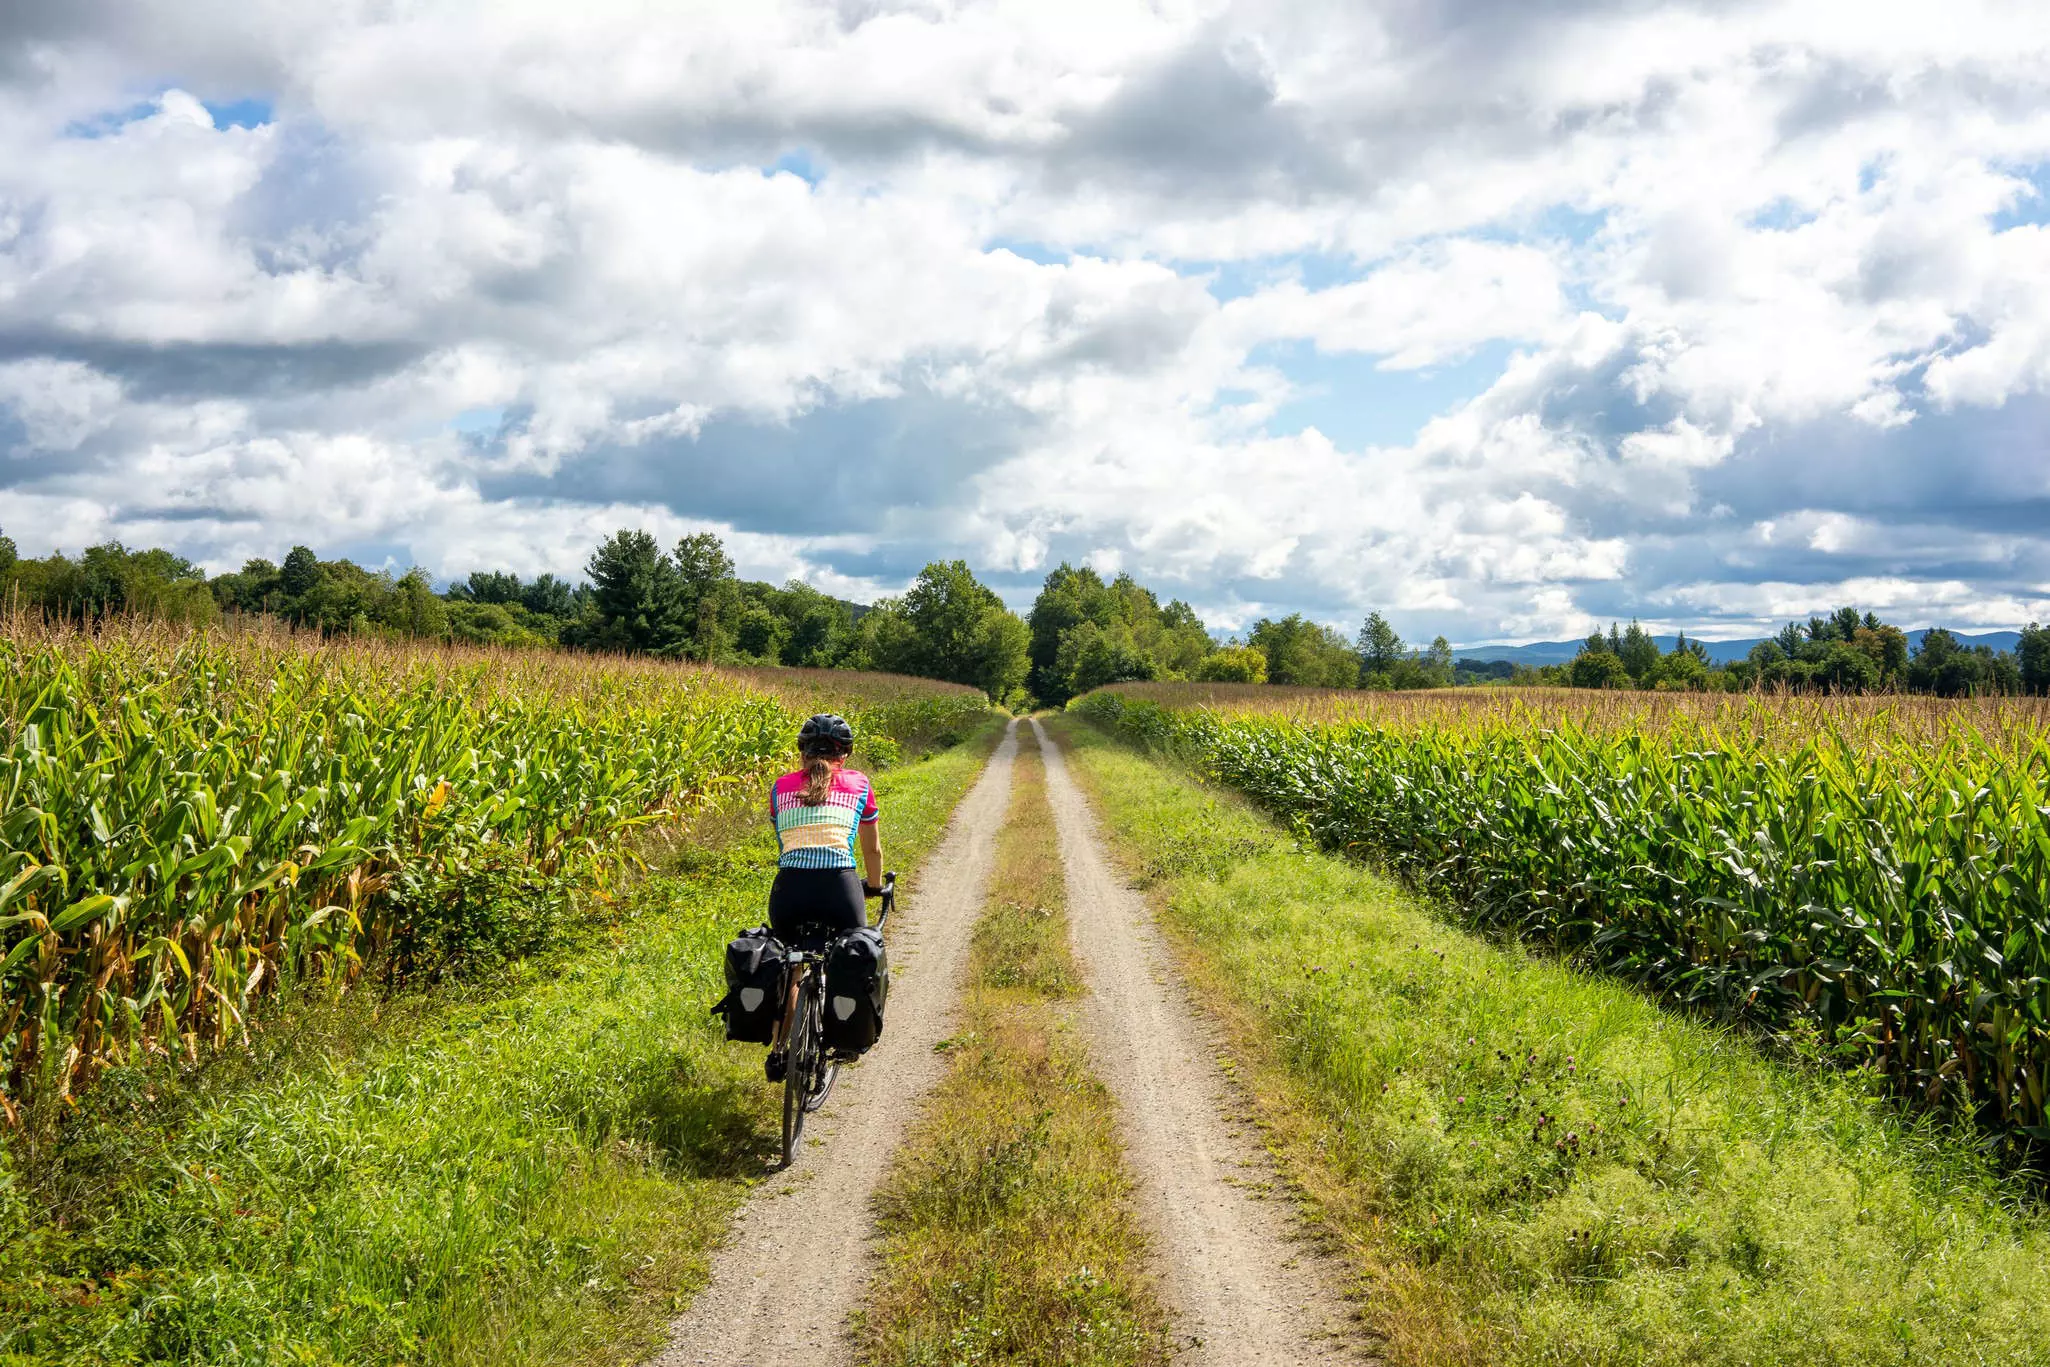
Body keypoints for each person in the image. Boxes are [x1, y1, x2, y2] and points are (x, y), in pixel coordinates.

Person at [767, 713, 885, 939]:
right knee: (856, 950)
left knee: (785, 952)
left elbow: (784, 844)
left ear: (803, 753)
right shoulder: (859, 783)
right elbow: (872, 850)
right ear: (844, 755)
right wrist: (874, 885)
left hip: (789, 890)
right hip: (840, 888)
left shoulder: (779, 787)